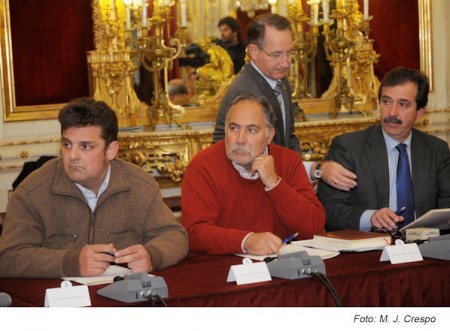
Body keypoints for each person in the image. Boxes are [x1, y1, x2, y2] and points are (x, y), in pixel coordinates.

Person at [0, 97, 189, 278]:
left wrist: (152, 254)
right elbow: (8, 257)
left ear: (111, 150)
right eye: (67, 144)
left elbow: (174, 236)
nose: (72, 155)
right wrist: (70, 262)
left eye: (85, 147)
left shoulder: (140, 185)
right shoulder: (33, 191)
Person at [213, 13, 357, 191]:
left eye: (290, 53)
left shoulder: (279, 79)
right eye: (276, 54)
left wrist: (299, 175)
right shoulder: (247, 91)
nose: (286, 62)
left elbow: (288, 137)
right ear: (254, 52)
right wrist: (315, 170)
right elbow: (250, 159)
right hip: (249, 189)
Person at [181, 94, 325, 255]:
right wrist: (246, 241)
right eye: (234, 128)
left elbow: (314, 227)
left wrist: (275, 184)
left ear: (269, 135)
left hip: (282, 265)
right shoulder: (203, 165)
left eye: (251, 130)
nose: (240, 139)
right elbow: (194, 233)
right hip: (226, 270)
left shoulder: (288, 160)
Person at [318, 67, 450, 232]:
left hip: (424, 248)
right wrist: (370, 217)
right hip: (370, 249)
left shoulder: (436, 150)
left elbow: (446, 206)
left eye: (403, 104)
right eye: (386, 101)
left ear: (420, 112)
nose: (392, 112)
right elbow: (329, 211)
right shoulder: (348, 147)